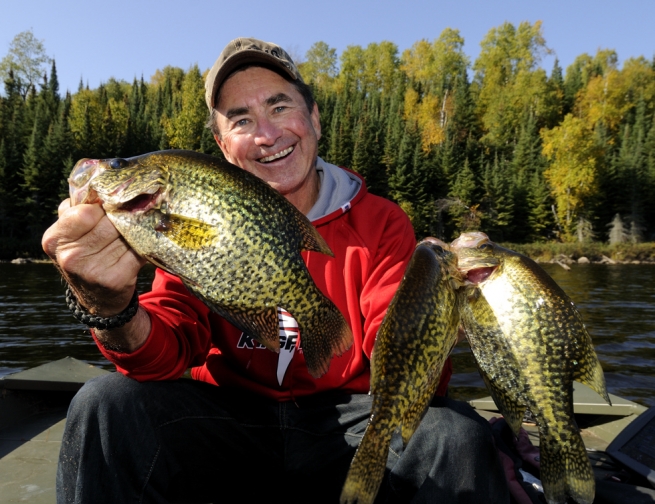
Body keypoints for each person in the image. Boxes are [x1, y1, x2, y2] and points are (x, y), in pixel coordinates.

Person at [42, 37, 509, 503]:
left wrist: (434, 320)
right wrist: (109, 306)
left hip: (349, 424)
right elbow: (163, 353)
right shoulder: (196, 211)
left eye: (279, 107)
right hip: (231, 420)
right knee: (103, 406)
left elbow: (397, 360)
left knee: (455, 435)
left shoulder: (381, 220)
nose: (266, 134)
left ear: (315, 119)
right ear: (224, 146)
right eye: (241, 120)